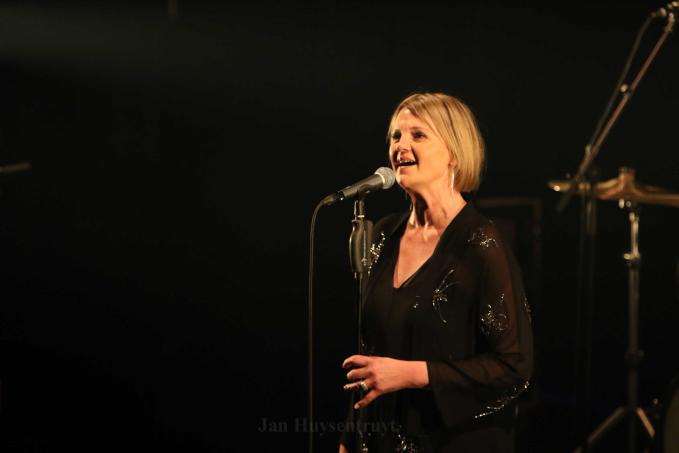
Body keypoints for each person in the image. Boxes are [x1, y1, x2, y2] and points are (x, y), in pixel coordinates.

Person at [338, 92, 533, 453]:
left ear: (454, 153)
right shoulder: (383, 235)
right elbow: (369, 353)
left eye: (418, 135)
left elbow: (513, 367)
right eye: (395, 136)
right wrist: (349, 439)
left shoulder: (481, 243)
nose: (401, 146)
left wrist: (412, 373)